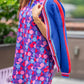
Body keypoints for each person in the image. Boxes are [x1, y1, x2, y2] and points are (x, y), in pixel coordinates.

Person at [11, 0, 55, 84]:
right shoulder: (27, 2)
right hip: (22, 59)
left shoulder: (49, 3)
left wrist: (36, 18)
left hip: (40, 61)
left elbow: (53, 36)